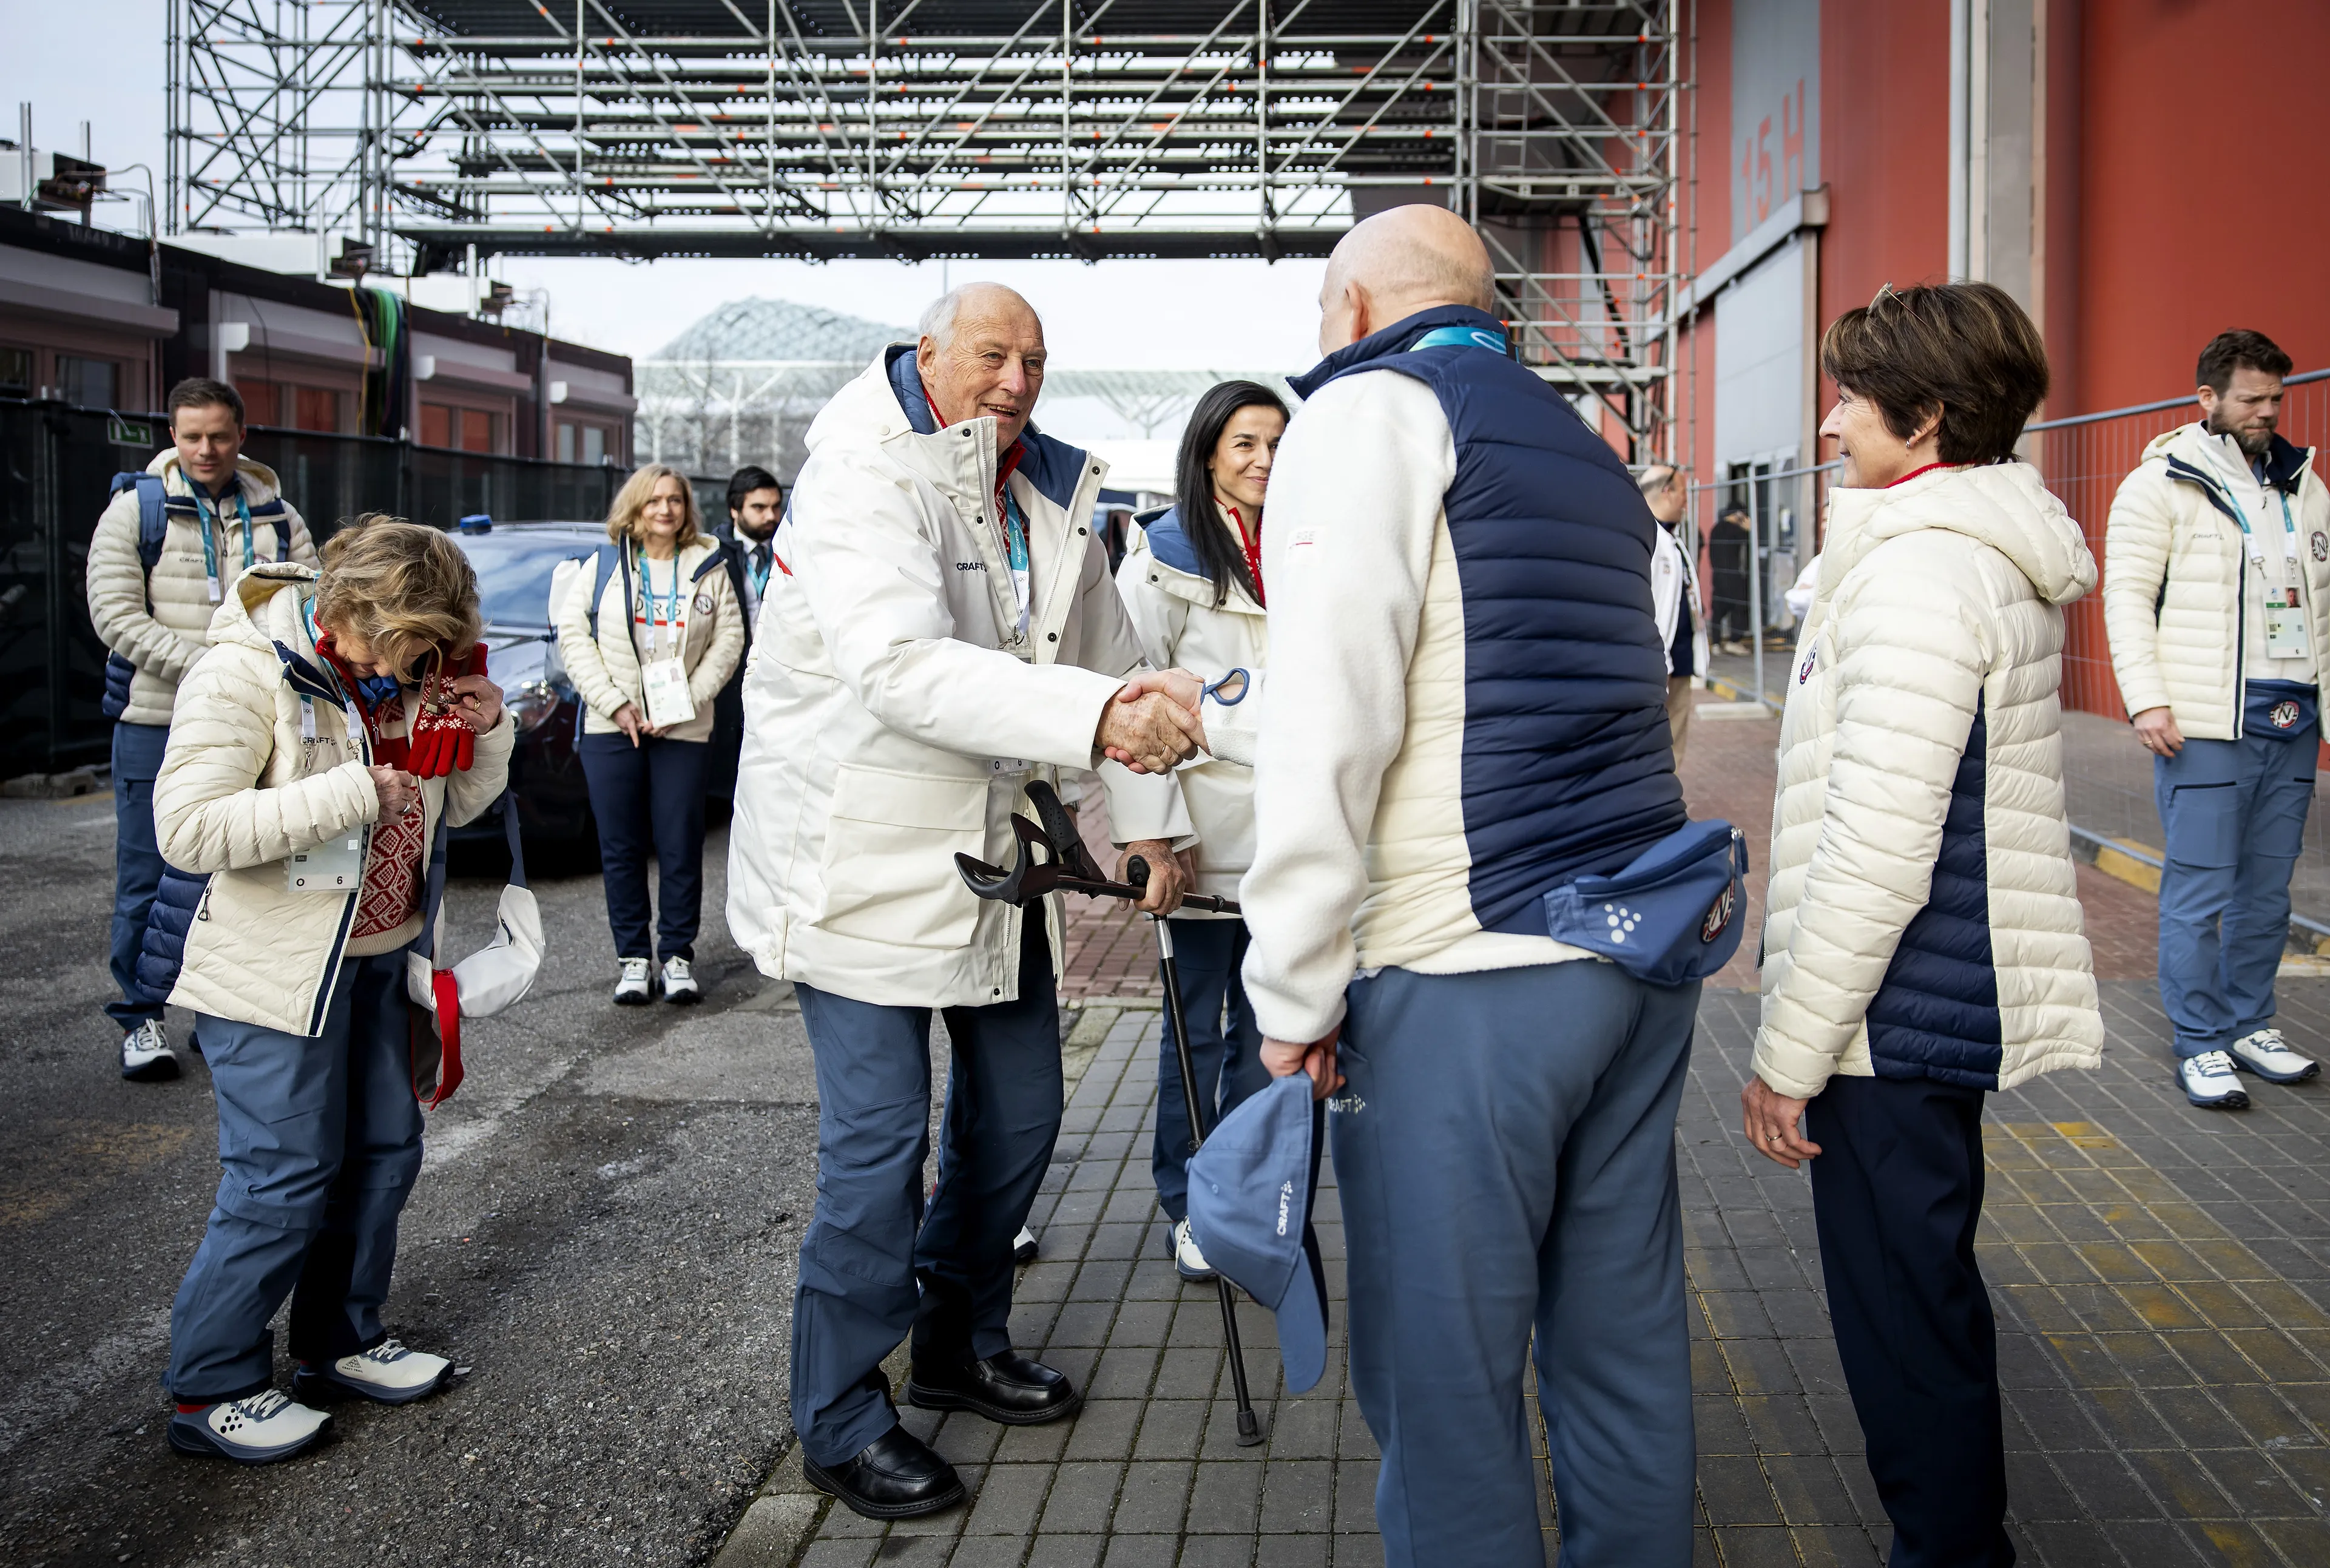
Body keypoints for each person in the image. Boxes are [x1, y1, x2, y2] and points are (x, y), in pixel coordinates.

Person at [1239, 204, 1700, 1567]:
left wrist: (1292, 988)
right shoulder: (1580, 446)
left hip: (1465, 964)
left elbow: (1338, 712)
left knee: (1444, 1379)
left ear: (1357, 303)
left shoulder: (1370, 407)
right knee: (1621, 1349)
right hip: (1631, 952)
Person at [726, 282, 1206, 1521]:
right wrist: (1099, 716)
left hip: (993, 868)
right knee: (879, 1154)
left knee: (1020, 1120)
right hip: (861, 872)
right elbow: (898, 667)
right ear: (928, 355)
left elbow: (1109, 663)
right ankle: (838, 1412)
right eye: (993, 354)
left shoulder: (1047, 487)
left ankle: (957, 1338)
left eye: (1036, 360)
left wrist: (1153, 827)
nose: (1016, 379)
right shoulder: (862, 470)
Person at [1740, 282, 2104, 1566]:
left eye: (1851, 396)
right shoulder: (1965, 554)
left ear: (1929, 416)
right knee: (1925, 1294)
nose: (1833, 422)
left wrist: (1791, 1053)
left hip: (1893, 1012)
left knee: (1906, 1313)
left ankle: (1950, 1550)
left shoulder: (1919, 577)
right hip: (1936, 995)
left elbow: (1879, 849)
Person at [151, 517, 515, 1463]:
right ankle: (212, 1388)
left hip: (377, 959)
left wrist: (490, 733)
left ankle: (338, 1343)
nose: (418, 668)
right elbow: (187, 828)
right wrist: (353, 792)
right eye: (407, 648)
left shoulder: (405, 670)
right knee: (281, 1180)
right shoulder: (243, 670)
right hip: (274, 977)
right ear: (348, 610)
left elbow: (452, 805)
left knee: (383, 1157)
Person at [2102, 329, 2330, 1108]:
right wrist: (2147, 698)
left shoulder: (2304, 485)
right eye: (2252, 398)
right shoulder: (2159, 484)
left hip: (2294, 715)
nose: (2268, 412)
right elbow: (2127, 597)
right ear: (2207, 399)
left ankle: (2248, 1022)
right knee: (2200, 892)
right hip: (2206, 719)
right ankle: (2199, 1040)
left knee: (2268, 891)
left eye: (2277, 398)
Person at [85, 376, 317, 1081]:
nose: (206, 448)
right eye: (192, 436)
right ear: (172, 435)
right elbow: (114, 615)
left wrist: (252, 678)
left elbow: (310, 604)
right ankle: (141, 1017)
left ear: (242, 436)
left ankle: (218, 1011)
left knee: (245, 867)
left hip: (257, 724)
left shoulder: (279, 515)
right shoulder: (136, 511)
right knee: (148, 874)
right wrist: (212, 667)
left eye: (219, 435)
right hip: (157, 720)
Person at [1117, 379, 1285, 1280]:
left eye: (1276, 444)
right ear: (1209, 451)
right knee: (1196, 1033)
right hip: (1199, 838)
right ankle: (1186, 1204)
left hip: (1291, 837)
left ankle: (1246, 1200)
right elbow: (1128, 695)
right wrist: (1153, 834)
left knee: (1272, 1032)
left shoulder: (1305, 547)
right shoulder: (1160, 554)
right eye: (1246, 443)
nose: (1264, 460)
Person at [558, 464, 745, 1005]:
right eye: (654, 501)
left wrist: (682, 704)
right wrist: (615, 705)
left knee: (680, 842)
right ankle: (634, 959)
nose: (665, 509)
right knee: (621, 847)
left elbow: (728, 641)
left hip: (683, 726)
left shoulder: (707, 565)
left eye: (675, 500)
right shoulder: (602, 565)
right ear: (635, 508)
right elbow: (575, 638)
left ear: (687, 509)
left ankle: (679, 956)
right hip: (612, 726)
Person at [710, 464, 785, 801]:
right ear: (735, 509)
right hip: (728, 671)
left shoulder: (790, 547)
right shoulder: (713, 554)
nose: (770, 516)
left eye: (775, 506)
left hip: (779, 668)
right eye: (759, 508)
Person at [1641, 462, 1711, 768]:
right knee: (1651, 749)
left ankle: (1668, 810)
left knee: (1674, 748)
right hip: (1658, 666)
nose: (1686, 501)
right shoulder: (1646, 539)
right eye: (1683, 492)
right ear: (1667, 492)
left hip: (1679, 662)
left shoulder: (1672, 539)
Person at [1708, 502, 1753, 649]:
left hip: (1718, 574)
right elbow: (1747, 543)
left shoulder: (1715, 529)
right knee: (1739, 607)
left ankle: (1716, 643)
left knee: (1718, 611)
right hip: (1733, 576)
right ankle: (1734, 641)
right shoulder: (1735, 530)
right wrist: (1748, 530)